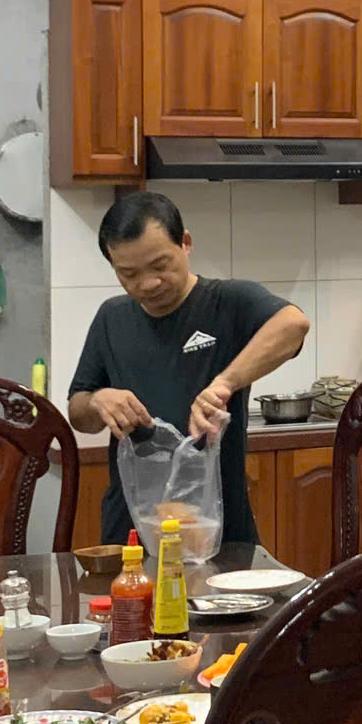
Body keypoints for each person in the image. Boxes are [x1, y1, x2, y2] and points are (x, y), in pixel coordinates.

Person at [66, 191, 311, 548]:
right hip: (132, 529)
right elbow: (79, 415)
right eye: (128, 274)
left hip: (217, 527)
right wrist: (98, 400)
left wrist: (224, 383)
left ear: (186, 243)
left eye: (160, 265)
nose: (147, 283)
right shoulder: (111, 318)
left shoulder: (227, 302)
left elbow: (293, 325)